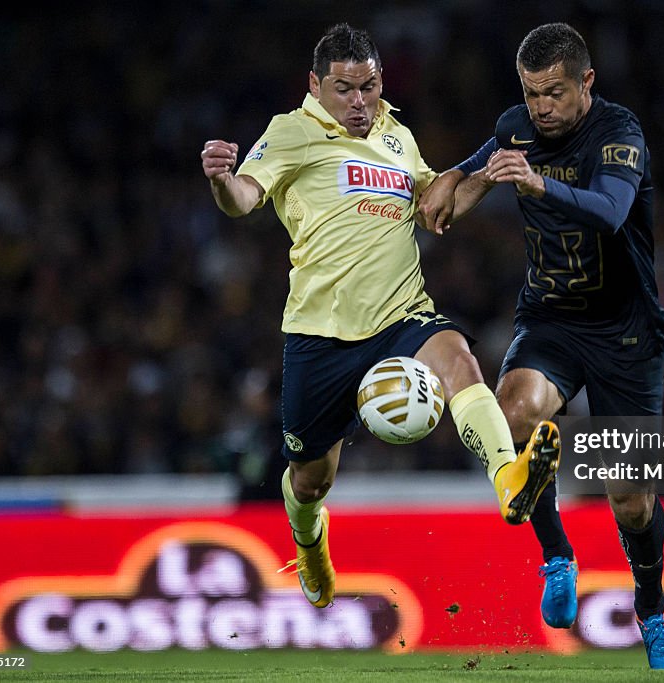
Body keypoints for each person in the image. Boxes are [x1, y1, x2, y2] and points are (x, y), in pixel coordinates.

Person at [200, 23, 559, 611]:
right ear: (315, 85)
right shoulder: (291, 132)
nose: (359, 101)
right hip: (321, 337)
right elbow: (243, 198)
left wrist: (487, 177)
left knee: (460, 359)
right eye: (344, 89)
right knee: (311, 480)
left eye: (368, 86)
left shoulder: (396, 135)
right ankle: (310, 540)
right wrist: (220, 180)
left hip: (402, 315)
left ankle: (510, 477)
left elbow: (433, 208)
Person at [417, 22, 664, 669]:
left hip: (627, 331)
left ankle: (651, 612)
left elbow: (612, 210)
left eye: (554, 93)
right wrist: (454, 183)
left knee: (630, 496)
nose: (542, 107)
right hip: (553, 320)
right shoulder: (520, 125)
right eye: (533, 94)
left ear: (586, 82)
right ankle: (557, 556)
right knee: (513, 414)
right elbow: (483, 159)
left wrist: (537, 185)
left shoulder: (619, 134)